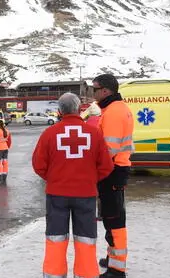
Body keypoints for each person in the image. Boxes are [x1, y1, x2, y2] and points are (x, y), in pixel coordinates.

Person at [32, 93, 114, 278]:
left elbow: (38, 165)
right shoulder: (94, 133)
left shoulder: (49, 133)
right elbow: (106, 166)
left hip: (56, 195)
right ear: (79, 109)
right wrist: (90, 179)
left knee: (56, 238)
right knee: (86, 239)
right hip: (86, 195)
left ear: (60, 111)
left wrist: (54, 178)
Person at [92, 74, 134, 278]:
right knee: (112, 217)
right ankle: (112, 259)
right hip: (116, 169)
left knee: (114, 219)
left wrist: (95, 171)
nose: (94, 93)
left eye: (95, 89)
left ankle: (117, 270)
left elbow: (109, 149)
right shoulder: (114, 109)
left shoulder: (114, 112)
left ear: (106, 91)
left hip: (112, 170)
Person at [0, 120, 12, 184]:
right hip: (5, 148)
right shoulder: (7, 131)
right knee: (5, 162)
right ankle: (4, 177)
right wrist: (7, 146)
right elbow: (9, 141)